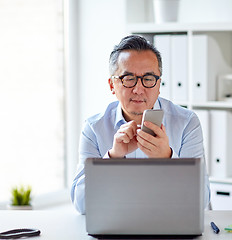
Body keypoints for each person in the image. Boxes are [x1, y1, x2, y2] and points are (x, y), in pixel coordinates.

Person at [71, 35, 210, 214]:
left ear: (159, 84)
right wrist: (113, 158)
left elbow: (201, 201)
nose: (138, 89)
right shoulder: (93, 128)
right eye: (128, 78)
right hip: (115, 228)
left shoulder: (186, 123)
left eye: (149, 78)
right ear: (112, 85)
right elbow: (81, 205)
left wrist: (167, 159)